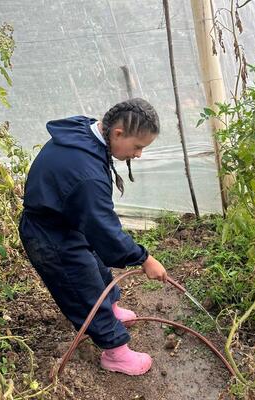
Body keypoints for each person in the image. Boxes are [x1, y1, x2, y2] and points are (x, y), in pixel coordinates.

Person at [19, 98, 167, 376]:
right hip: (47, 234)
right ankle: (116, 354)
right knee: (82, 289)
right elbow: (105, 230)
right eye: (138, 147)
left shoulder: (87, 131)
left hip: (64, 218)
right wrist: (144, 258)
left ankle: (111, 307)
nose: (138, 154)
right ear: (118, 133)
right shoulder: (87, 175)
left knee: (96, 268)